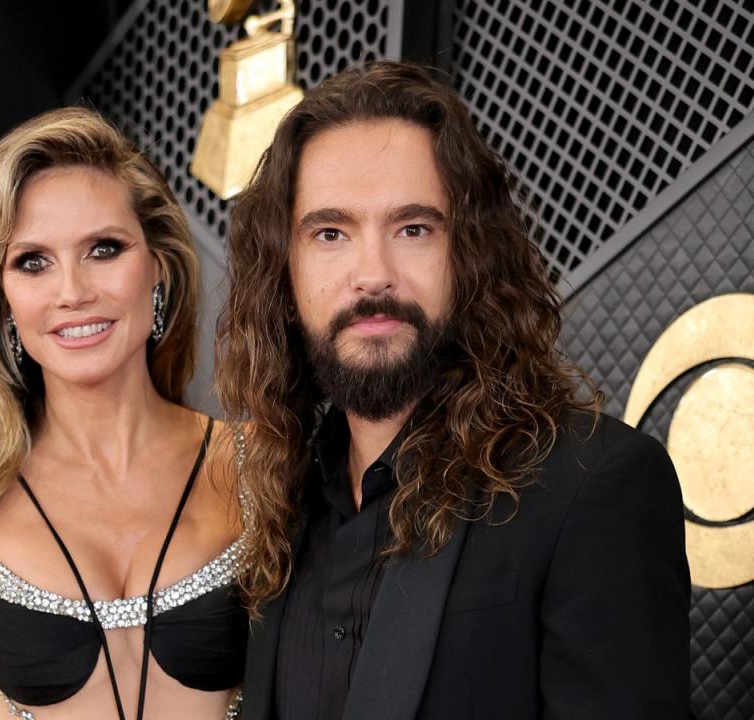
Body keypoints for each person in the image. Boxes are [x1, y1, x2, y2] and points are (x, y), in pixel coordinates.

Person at [215, 61, 690, 719]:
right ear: (284, 276)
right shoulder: (279, 504)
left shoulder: (597, 486)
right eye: (331, 233)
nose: (372, 274)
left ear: (470, 255)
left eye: (413, 229)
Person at [0, 107, 248, 719]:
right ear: (1, 296)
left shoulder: (257, 465)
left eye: (104, 249)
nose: (72, 291)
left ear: (156, 266)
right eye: (33, 261)